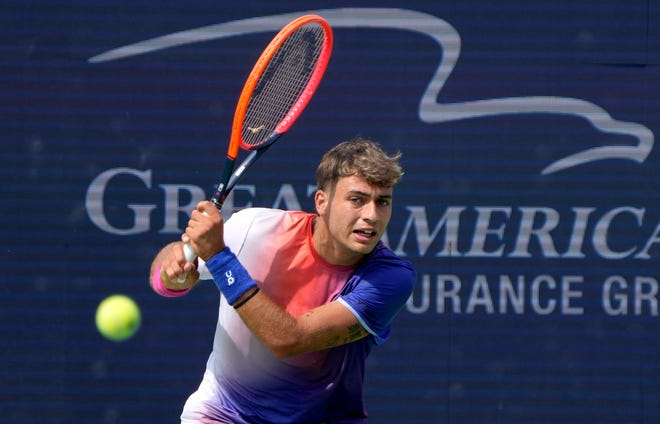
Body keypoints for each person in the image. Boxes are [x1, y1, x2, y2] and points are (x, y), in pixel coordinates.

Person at [149, 137, 416, 423]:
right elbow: (162, 278)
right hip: (222, 413)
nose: (372, 216)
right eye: (357, 200)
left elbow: (288, 340)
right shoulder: (256, 228)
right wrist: (173, 273)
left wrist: (218, 256)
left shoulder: (390, 278)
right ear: (322, 202)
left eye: (382, 202)